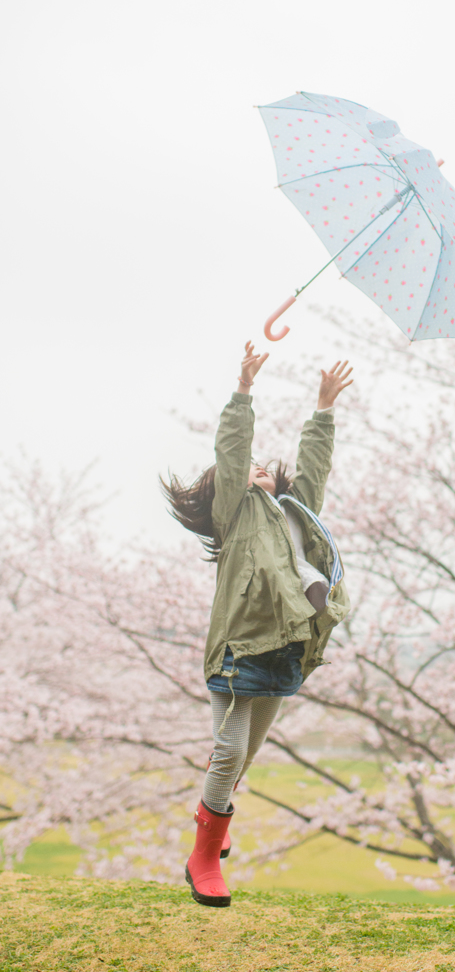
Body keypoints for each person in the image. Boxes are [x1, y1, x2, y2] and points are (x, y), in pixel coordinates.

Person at [162, 342, 353, 907]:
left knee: (241, 756)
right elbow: (232, 449)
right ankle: (204, 857)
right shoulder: (234, 515)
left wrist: (323, 409)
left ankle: (210, 822)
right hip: (238, 648)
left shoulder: (298, 512)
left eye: (263, 466)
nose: (260, 467)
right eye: (250, 468)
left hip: (285, 648)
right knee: (227, 753)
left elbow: (314, 467)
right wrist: (243, 391)